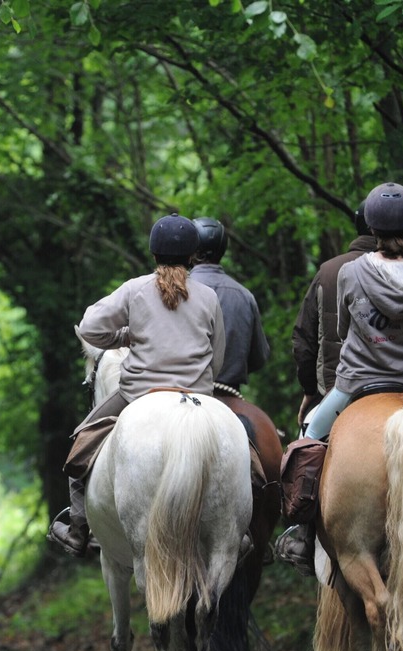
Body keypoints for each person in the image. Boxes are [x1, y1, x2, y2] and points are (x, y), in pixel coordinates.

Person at [275, 182, 403, 573]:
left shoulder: (350, 272)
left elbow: (342, 330)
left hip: (354, 385)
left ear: (371, 228)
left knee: (309, 436)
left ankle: (301, 530)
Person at [46, 212, 226, 558]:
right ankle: (240, 531)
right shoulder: (208, 296)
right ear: (193, 256)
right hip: (197, 398)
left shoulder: (135, 289)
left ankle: (78, 529)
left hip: (137, 394)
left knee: (81, 443)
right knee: (244, 454)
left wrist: (123, 337)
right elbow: (217, 358)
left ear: (154, 254)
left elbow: (89, 328)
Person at [291, 203, 377, 430]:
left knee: (307, 444)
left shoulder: (329, 271)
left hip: (338, 390)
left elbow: (303, 341)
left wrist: (310, 390)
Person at [188, 217, 271, 396]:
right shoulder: (244, 295)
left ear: (191, 250)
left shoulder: (175, 290)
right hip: (229, 391)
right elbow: (259, 357)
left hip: (187, 390)